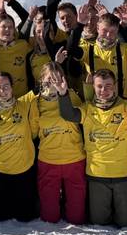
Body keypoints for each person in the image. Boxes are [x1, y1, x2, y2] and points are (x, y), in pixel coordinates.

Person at [57, 67, 127, 228]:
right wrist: (62, 94)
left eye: (108, 86)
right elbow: (68, 114)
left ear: (115, 86)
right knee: (99, 222)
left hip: (124, 174)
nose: (104, 90)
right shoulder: (88, 108)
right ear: (93, 87)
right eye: (100, 86)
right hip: (97, 175)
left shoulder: (126, 107)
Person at [0, 71, 39, 222]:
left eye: (6, 86)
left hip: (25, 169)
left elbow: (44, 86)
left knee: (26, 217)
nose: (3, 91)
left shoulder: (24, 103)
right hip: (0, 171)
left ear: (12, 87)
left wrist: (57, 63)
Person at [31, 62, 87, 224]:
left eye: (57, 78)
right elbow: (33, 132)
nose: (53, 82)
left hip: (74, 158)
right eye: (49, 78)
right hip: (48, 160)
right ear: (42, 79)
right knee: (50, 218)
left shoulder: (72, 96)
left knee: (76, 218)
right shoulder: (36, 102)